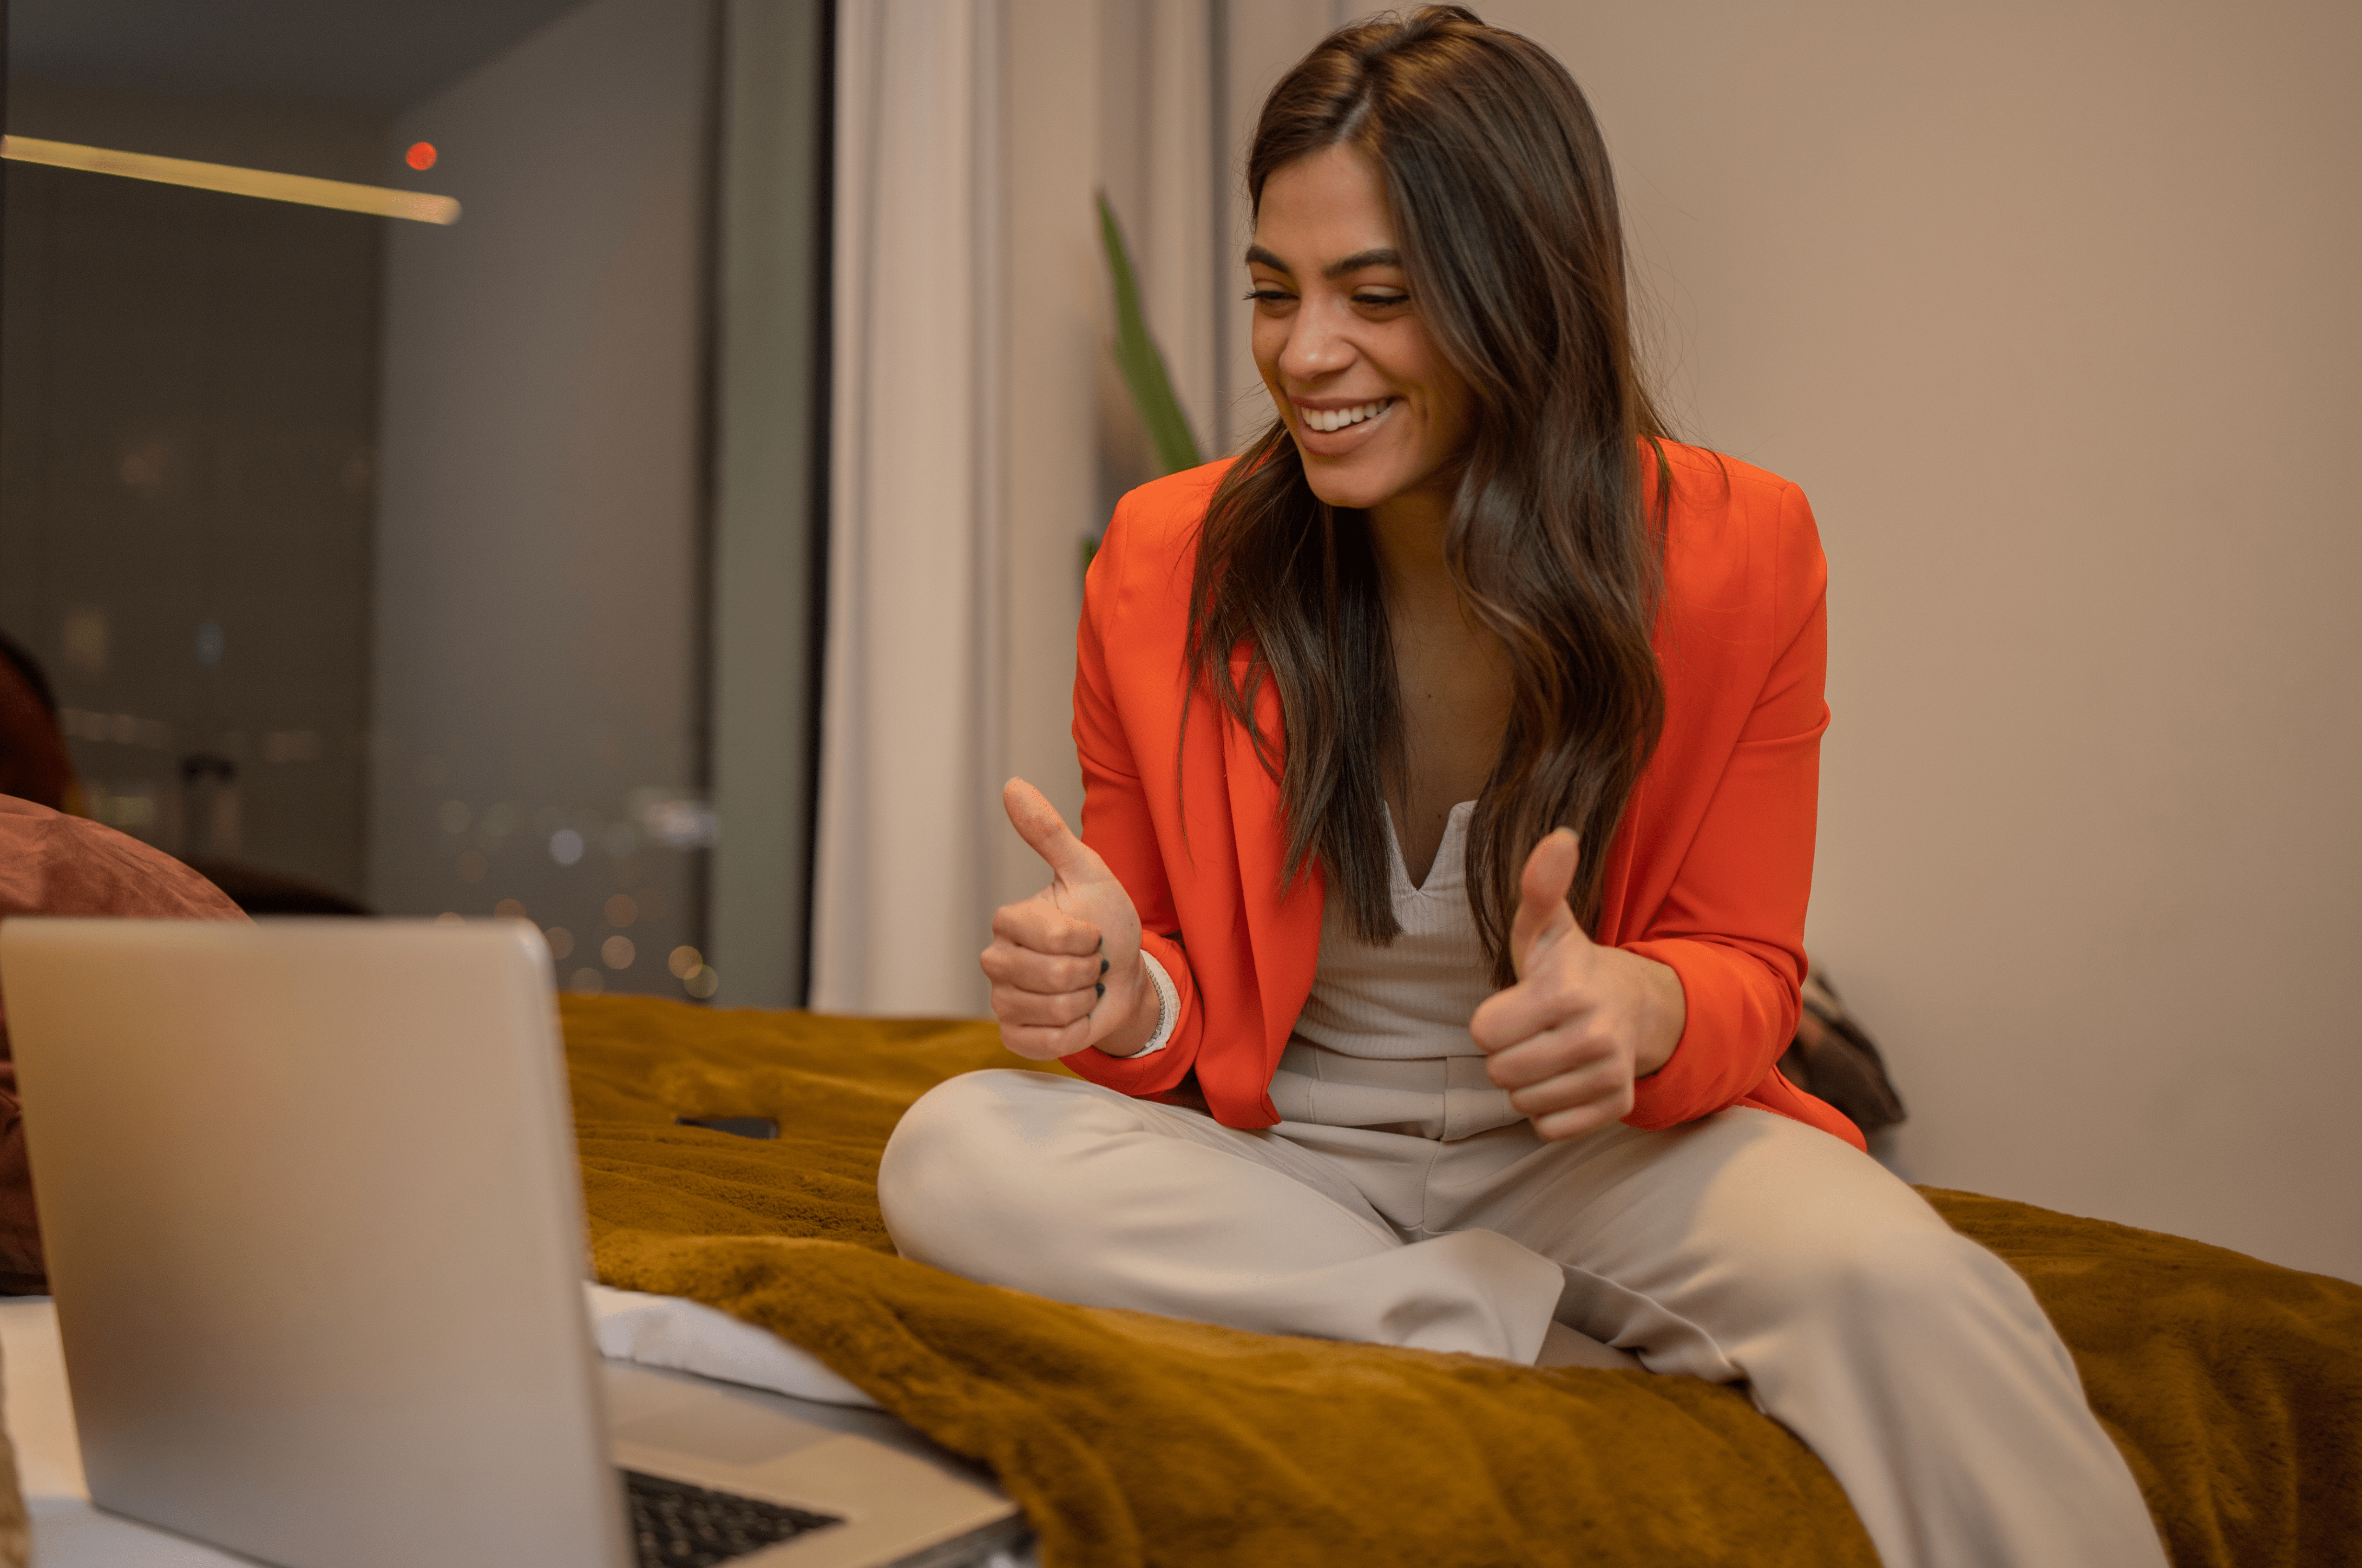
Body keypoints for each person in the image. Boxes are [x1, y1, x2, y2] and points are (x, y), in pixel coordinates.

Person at [874, 10, 2167, 1566]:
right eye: (1274, 294)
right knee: (952, 1153)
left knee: (1913, 1288)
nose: (1305, 354)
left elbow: (1748, 971)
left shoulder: (1739, 551)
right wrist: (1118, 993)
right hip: (1284, 1151)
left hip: (1591, 1151)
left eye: (1379, 298)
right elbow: (1175, 993)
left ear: (1519, 293)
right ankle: (1503, 1330)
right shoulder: (1170, 556)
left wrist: (1640, 1007)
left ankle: (1473, 1301)